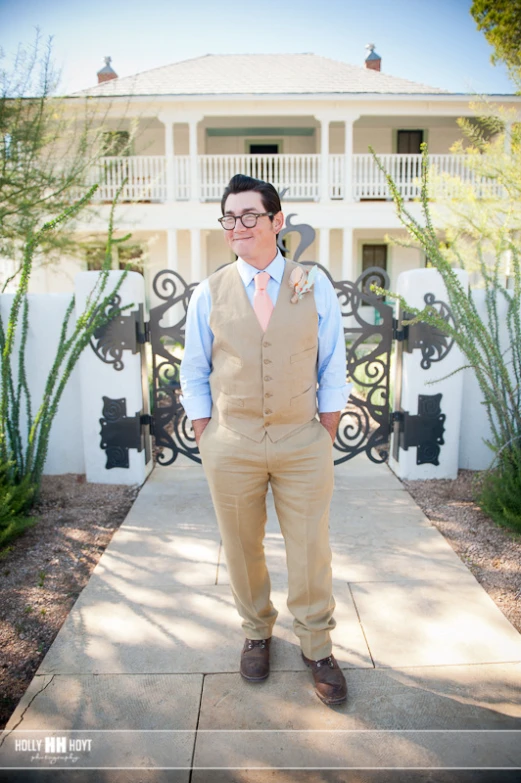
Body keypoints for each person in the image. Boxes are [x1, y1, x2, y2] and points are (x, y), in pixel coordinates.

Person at [180, 174, 352, 705]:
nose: (237, 226)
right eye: (229, 217)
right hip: (231, 442)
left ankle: (317, 645)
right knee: (240, 546)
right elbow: (194, 369)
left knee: (310, 546)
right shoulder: (208, 293)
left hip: (303, 440)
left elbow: (333, 362)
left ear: (276, 222)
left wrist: (323, 428)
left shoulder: (312, 282)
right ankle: (256, 632)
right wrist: (207, 431)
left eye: (249, 215)